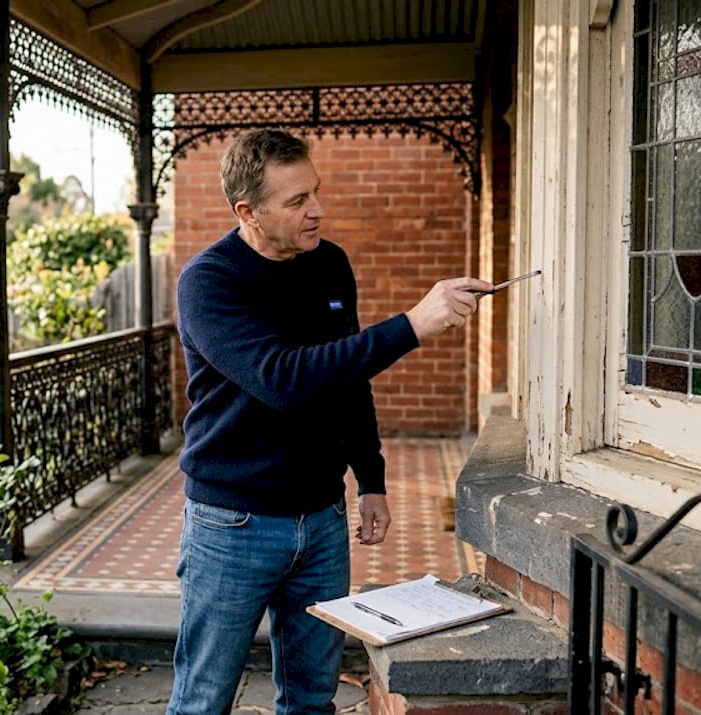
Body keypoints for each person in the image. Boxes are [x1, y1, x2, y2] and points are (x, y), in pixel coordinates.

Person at [168, 128, 492, 715]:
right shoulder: (209, 282)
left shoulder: (330, 263)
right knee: (203, 699)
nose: (317, 209)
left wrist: (370, 479)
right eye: (296, 202)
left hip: (321, 520)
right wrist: (411, 326)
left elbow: (345, 379)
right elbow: (284, 379)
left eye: (315, 192)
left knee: (312, 699)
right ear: (249, 212)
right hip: (232, 525)